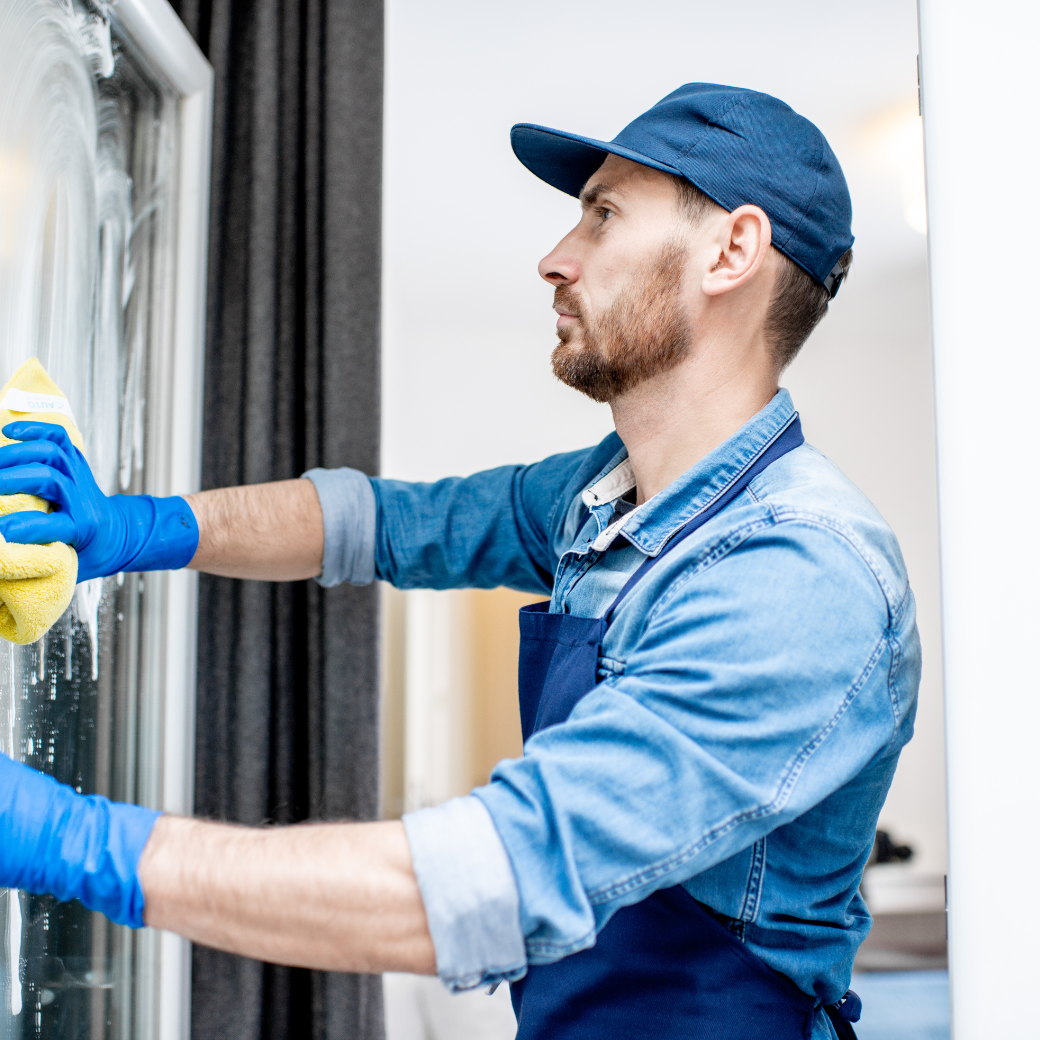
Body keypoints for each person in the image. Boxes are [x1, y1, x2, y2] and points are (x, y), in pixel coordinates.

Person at [0, 84, 918, 1040]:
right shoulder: (602, 497)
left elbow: (504, 873)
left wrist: (76, 845)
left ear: (733, 252)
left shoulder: (799, 575)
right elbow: (379, 524)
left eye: (603, 215)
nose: (556, 258)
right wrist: (138, 526)